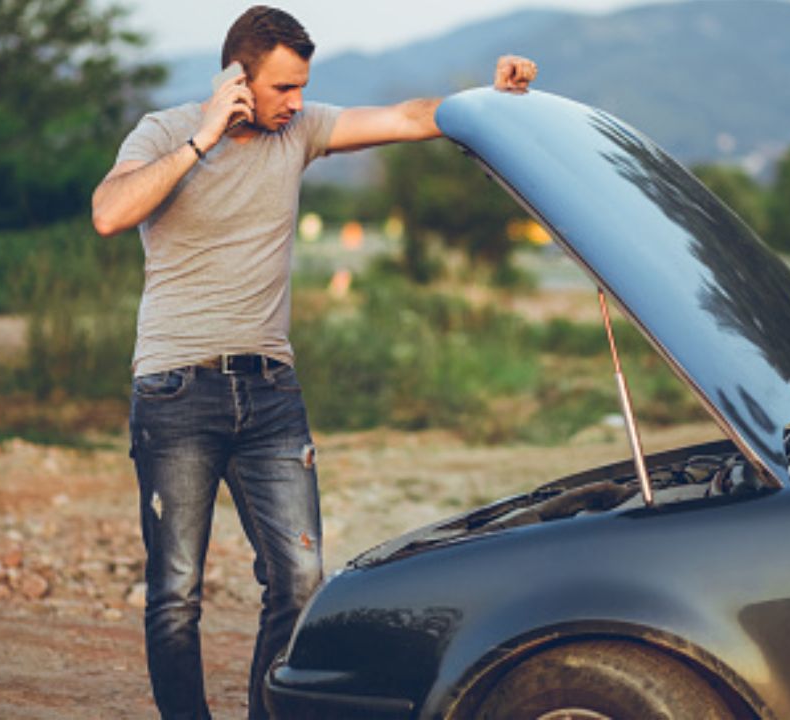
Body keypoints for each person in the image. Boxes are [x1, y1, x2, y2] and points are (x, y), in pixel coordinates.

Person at [90, 6, 537, 719]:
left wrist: (486, 98)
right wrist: (204, 138)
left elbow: (405, 117)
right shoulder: (165, 130)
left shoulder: (298, 130)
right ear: (237, 78)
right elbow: (110, 213)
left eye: (302, 88)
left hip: (271, 393)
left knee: (300, 579)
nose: (296, 103)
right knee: (176, 591)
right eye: (283, 89)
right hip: (177, 390)